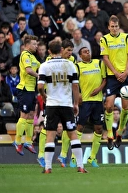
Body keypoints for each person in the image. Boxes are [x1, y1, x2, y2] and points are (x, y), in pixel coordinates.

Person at [37, 40, 87, 173]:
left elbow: (40, 86)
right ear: (61, 50)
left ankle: (48, 167)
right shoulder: (70, 64)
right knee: (73, 134)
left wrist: (43, 95)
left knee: (50, 135)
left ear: (49, 52)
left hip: (52, 104)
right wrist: (75, 103)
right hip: (66, 104)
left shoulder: (44, 65)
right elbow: (75, 85)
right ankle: (80, 166)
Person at [68, 47, 106, 168]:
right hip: (85, 101)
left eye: (88, 51)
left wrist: (99, 89)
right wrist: (78, 95)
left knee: (99, 128)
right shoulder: (78, 66)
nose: (87, 53)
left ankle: (92, 157)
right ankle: (74, 158)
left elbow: (105, 79)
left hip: (98, 101)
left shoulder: (99, 63)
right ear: (80, 55)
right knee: (80, 127)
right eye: (84, 52)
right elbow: (74, 83)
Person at [100, 15, 128, 150]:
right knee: (108, 106)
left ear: (119, 27)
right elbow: (105, 58)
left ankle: (119, 132)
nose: (114, 29)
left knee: (126, 106)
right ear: (108, 27)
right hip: (112, 76)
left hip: (125, 75)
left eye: (116, 26)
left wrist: (125, 72)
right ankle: (109, 135)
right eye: (112, 27)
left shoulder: (126, 38)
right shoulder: (104, 39)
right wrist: (116, 73)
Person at [12, 35, 40, 156]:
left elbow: (40, 66)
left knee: (31, 115)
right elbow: (28, 70)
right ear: (27, 45)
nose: (36, 46)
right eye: (34, 44)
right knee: (23, 115)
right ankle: (17, 141)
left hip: (31, 90)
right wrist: (40, 76)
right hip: (24, 89)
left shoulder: (33, 57)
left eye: (37, 44)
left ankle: (28, 141)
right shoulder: (25, 55)